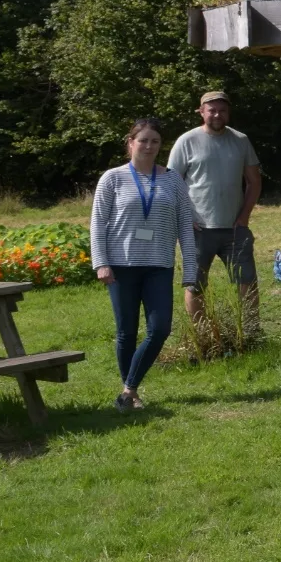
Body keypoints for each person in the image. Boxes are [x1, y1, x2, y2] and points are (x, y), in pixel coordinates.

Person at [90, 117, 199, 411]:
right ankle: (132, 394)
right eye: (143, 140)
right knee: (126, 331)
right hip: (121, 266)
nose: (149, 146)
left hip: (158, 266)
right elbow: (98, 224)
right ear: (131, 143)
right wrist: (101, 263)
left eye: (155, 141)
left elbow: (185, 227)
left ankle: (128, 389)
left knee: (160, 328)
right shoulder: (112, 179)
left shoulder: (173, 180)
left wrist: (191, 270)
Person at [167, 90, 263, 335]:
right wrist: (184, 217)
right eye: (212, 110)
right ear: (201, 112)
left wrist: (244, 217)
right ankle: (202, 335)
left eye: (222, 110)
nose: (217, 114)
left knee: (247, 282)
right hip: (198, 230)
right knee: (195, 284)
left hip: (235, 229)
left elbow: (254, 182)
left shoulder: (240, 140)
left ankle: (250, 332)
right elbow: (172, 184)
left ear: (228, 112)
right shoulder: (186, 141)